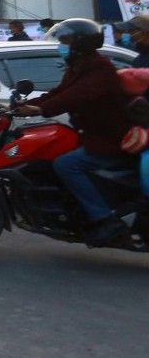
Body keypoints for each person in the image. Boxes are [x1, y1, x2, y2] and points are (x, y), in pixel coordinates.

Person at [13, 18, 134, 246]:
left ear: (81, 43)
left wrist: (42, 109)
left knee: (66, 164)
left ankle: (105, 219)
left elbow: (76, 96)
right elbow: (58, 92)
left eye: (66, 41)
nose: (62, 45)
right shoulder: (78, 67)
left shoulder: (100, 69)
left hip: (109, 141)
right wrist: (23, 106)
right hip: (92, 136)